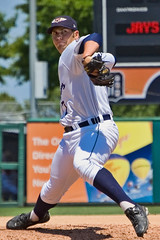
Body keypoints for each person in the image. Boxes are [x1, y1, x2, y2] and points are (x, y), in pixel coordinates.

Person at [6, 15, 149, 237]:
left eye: (63, 31)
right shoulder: (70, 58)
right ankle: (36, 216)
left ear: (75, 35)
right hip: (72, 135)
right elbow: (110, 58)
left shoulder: (74, 50)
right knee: (53, 186)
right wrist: (90, 59)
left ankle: (132, 207)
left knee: (85, 163)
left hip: (97, 129)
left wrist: (87, 55)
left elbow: (94, 37)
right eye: (54, 33)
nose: (58, 36)